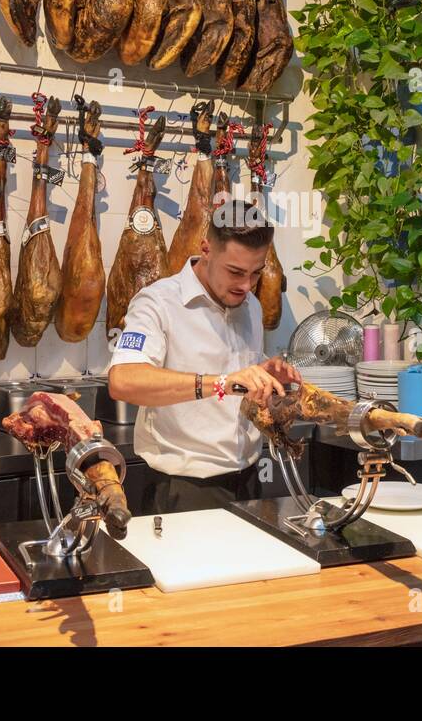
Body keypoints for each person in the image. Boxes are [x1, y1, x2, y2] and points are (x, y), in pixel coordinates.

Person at [107, 198, 301, 512]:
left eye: (255, 273)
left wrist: (261, 371)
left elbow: (233, 372)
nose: (246, 285)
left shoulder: (249, 304)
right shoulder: (158, 302)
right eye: (236, 271)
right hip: (185, 488)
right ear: (206, 249)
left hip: (249, 478)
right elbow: (123, 381)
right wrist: (222, 382)